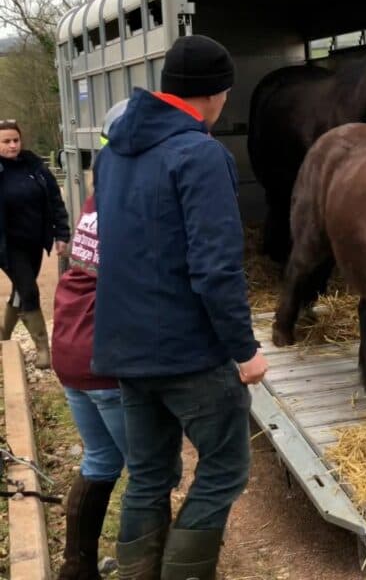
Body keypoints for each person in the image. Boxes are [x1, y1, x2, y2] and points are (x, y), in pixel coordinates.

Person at [93, 35, 269, 580]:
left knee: (147, 474)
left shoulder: (112, 152)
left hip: (125, 348)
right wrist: (245, 350)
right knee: (223, 470)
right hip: (188, 352)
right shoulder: (200, 154)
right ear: (216, 95)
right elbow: (216, 269)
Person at [52, 100, 129, 580]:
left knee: (101, 458)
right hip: (102, 359)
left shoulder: (97, 200)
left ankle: (76, 568)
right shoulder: (131, 205)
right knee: (150, 471)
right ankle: (146, 567)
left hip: (69, 349)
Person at [1, 118, 70, 368]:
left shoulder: (34, 166)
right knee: (29, 290)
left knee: (21, 290)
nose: (12, 145)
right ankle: (43, 349)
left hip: (34, 241)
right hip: (8, 246)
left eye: (15, 140)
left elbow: (54, 199)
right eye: (6, 141)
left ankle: (3, 337)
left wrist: (62, 234)